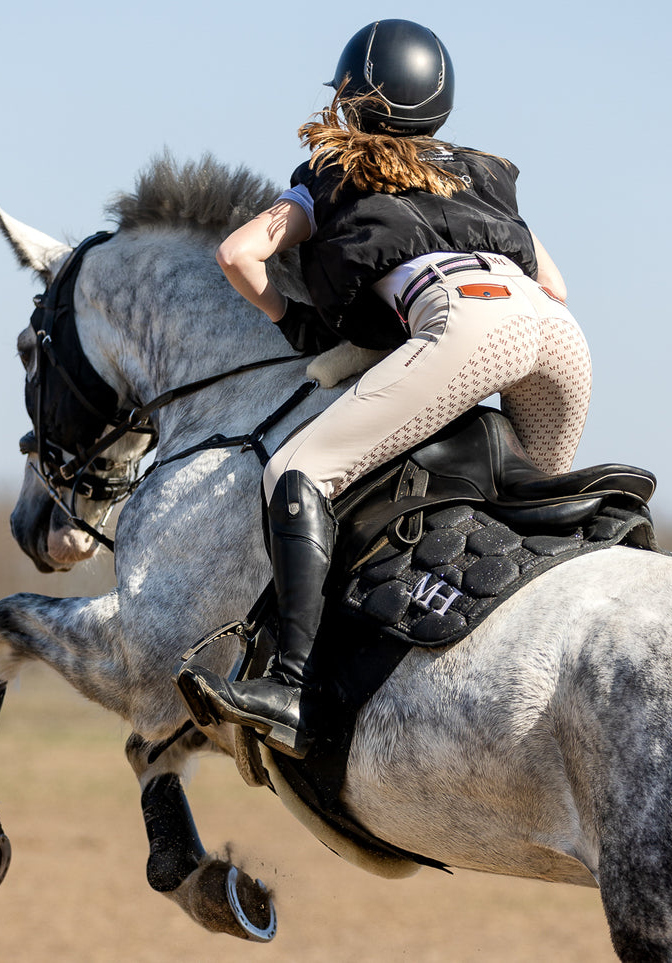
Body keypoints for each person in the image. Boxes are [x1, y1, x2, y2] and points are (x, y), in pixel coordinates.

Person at [179, 19, 592, 759]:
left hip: (464, 324)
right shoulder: (484, 171)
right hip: (557, 340)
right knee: (529, 507)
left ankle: (291, 688)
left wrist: (290, 318)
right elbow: (554, 288)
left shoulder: (328, 173)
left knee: (295, 470)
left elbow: (238, 255)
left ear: (349, 97)